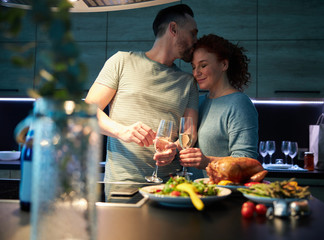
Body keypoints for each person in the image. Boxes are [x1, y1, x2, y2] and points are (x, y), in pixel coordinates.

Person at [85, 4, 199, 189]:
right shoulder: (121, 61)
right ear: (173, 29)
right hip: (122, 185)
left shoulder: (188, 82)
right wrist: (123, 131)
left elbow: (189, 133)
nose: (196, 40)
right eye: (192, 33)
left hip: (171, 187)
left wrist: (175, 148)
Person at [179, 34, 259, 177]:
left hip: (224, 193)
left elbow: (247, 161)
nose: (197, 73)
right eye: (194, 67)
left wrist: (207, 161)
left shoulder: (239, 104)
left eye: (203, 65)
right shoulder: (198, 101)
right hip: (196, 192)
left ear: (224, 65)